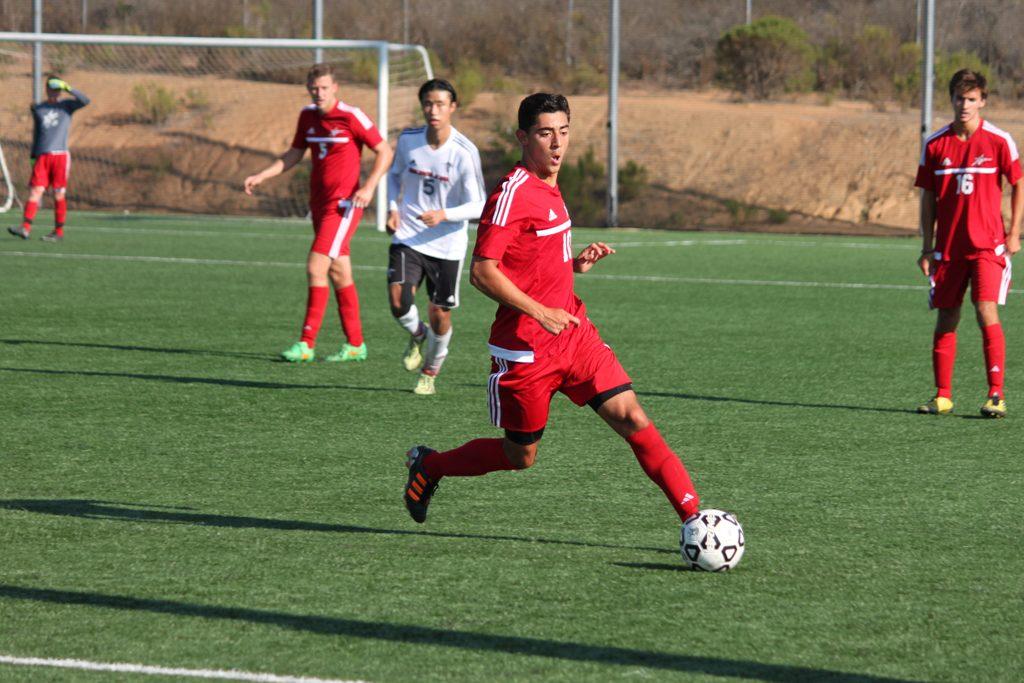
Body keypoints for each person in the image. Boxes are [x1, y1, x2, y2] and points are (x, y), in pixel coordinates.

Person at [402, 93, 701, 526]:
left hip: (574, 335)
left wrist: (572, 265)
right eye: (546, 133)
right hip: (525, 352)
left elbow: (533, 257)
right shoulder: (512, 194)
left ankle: (694, 517)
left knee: (633, 418)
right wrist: (539, 311)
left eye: (563, 132)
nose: (557, 143)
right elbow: (483, 272)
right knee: (520, 455)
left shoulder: (551, 184)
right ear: (523, 137)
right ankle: (431, 466)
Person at [244, 63, 393, 363]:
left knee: (316, 267)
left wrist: (369, 187)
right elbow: (294, 153)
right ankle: (355, 345)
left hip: (343, 206)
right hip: (319, 206)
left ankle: (306, 343)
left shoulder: (351, 116)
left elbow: (385, 151)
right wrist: (263, 175)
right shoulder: (307, 116)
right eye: (314, 88)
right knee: (339, 272)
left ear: (335, 88)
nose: (319, 93)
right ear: (308, 88)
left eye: (325, 88)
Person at [915, 69, 1022, 418]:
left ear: (983, 101)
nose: (965, 105)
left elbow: (1019, 183)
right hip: (948, 249)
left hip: (987, 247)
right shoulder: (935, 144)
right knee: (947, 317)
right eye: (960, 98)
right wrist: (927, 246)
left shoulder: (999, 140)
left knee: (985, 309)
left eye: (972, 99)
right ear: (952, 100)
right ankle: (943, 395)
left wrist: (1014, 233)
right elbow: (928, 197)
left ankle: (996, 395)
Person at [386, 78, 486, 395]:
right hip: (410, 235)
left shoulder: (464, 152)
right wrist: (392, 207)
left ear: (453, 107)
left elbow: (479, 204)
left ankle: (430, 370)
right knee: (398, 301)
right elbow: (393, 175)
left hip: (447, 244)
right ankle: (417, 334)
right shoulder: (408, 140)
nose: (434, 110)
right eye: (428, 103)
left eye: (441, 104)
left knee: (439, 313)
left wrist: (444, 214)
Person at [8, 75, 90, 242]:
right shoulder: (39, 109)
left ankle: (58, 233)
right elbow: (38, 134)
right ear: (46, 89)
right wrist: (33, 155)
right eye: (52, 88)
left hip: (60, 155)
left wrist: (68, 88)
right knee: (35, 191)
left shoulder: (67, 106)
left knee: (58, 193)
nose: (55, 92)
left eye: (57, 89)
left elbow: (85, 100)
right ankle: (25, 228)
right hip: (42, 156)